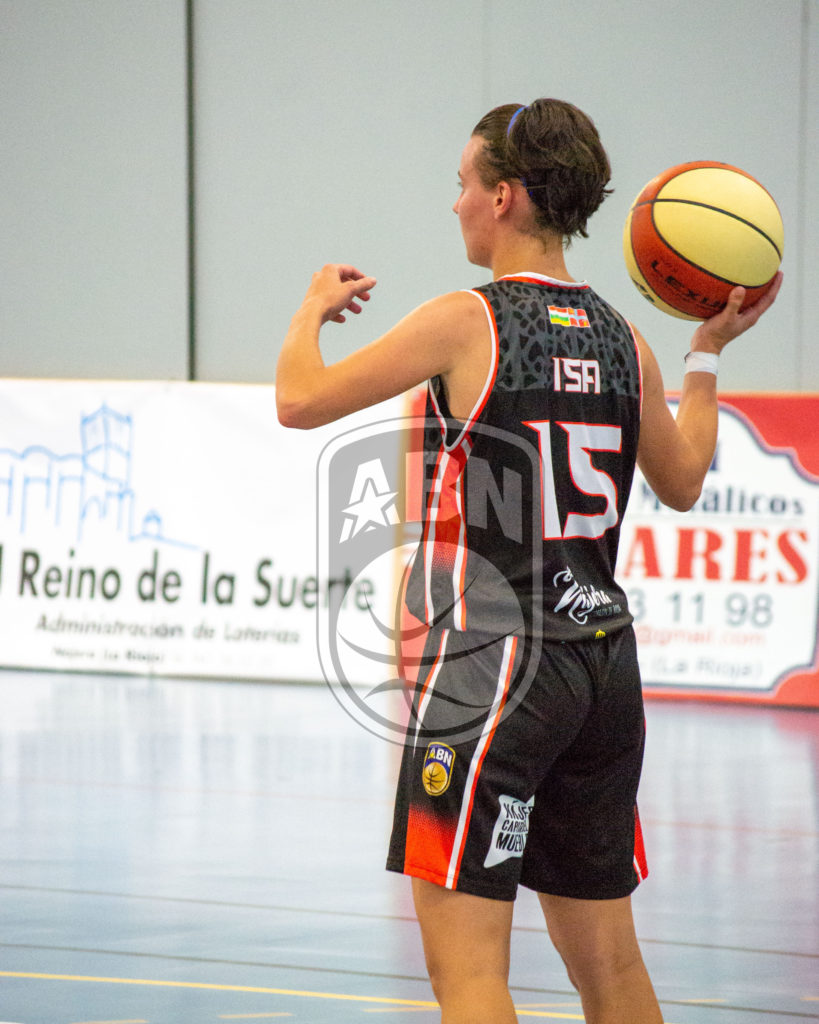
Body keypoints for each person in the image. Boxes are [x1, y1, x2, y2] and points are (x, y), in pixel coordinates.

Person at [275, 98, 782, 1024]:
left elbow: (299, 400)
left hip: (492, 664)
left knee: (469, 976)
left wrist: (312, 308)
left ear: (504, 196)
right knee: (612, 970)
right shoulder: (624, 337)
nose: (456, 203)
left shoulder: (466, 320)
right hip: (602, 667)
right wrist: (704, 355)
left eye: (463, 184)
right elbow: (682, 480)